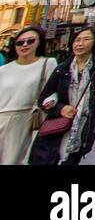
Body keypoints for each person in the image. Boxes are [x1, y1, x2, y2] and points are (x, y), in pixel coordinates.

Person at [29, 26, 95, 166]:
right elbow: (43, 98)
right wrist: (60, 108)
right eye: (77, 40)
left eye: (86, 39)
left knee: (71, 160)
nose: (80, 43)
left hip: (82, 127)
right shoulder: (62, 69)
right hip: (56, 126)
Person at [0, 26, 57, 165]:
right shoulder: (4, 69)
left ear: (39, 42)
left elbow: (55, 90)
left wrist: (52, 99)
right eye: (20, 42)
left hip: (24, 119)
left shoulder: (47, 63)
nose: (25, 45)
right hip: (1, 115)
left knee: (12, 161)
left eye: (30, 41)